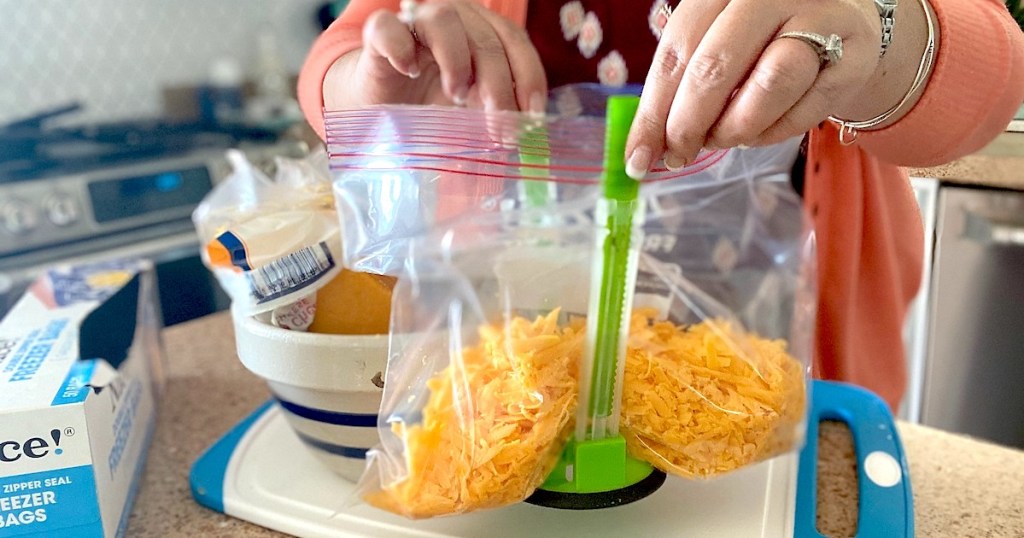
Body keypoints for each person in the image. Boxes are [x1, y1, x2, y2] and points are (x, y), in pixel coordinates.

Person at [297, 0, 1024, 410]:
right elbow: (350, 49)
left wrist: (881, 28)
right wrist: (383, 91)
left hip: (802, 375)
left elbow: (987, 75)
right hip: (513, 381)